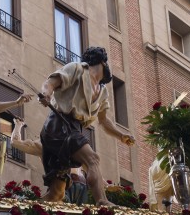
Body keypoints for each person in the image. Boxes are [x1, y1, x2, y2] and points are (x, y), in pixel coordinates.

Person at [37, 46, 135, 204]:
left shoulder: (103, 92)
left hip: (74, 129)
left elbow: (103, 121)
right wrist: (46, 94)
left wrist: (121, 135)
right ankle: (102, 201)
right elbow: (50, 82)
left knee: (56, 195)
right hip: (59, 124)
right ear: (103, 62)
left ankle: (21, 214)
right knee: (93, 160)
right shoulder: (77, 69)